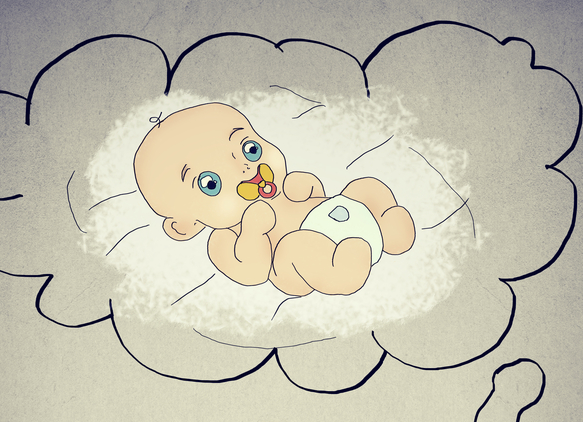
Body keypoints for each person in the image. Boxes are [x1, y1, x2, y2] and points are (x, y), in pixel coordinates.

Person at [133, 103, 416, 297]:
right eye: (211, 183)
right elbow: (253, 272)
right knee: (294, 247)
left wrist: (307, 188)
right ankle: (341, 271)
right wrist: (253, 232)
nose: (244, 169)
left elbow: (317, 194)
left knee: (363, 188)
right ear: (184, 225)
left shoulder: (280, 187)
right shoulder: (223, 241)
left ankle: (389, 227)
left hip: (338, 214)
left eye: (250, 148)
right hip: (293, 261)